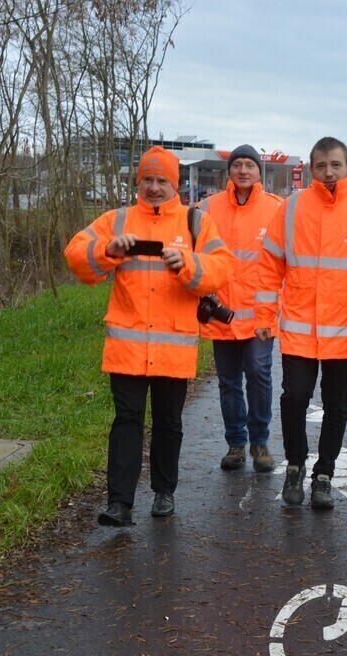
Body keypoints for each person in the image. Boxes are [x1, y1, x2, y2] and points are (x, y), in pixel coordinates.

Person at [64, 145, 233, 527]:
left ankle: (163, 493)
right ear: (137, 182)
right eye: (147, 180)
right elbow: (75, 255)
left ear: (175, 185)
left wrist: (188, 262)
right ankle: (119, 503)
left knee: (168, 421)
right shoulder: (118, 220)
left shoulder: (195, 222)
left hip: (173, 345)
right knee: (127, 420)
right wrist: (107, 249)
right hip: (127, 344)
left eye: (162, 181)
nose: (154, 188)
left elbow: (223, 267)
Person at [254, 136, 347, 509]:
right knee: (294, 398)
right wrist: (264, 316)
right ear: (311, 169)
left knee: (337, 404)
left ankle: (323, 474)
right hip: (298, 328)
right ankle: (295, 465)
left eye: (336, 165)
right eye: (321, 165)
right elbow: (269, 265)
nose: (328, 172)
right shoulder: (292, 207)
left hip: (345, 330)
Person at [197, 145, 282, 473]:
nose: (243, 170)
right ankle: (236, 443)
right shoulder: (207, 208)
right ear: (229, 171)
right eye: (238, 165)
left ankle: (260, 442)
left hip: (259, 315)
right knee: (228, 381)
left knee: (259, 375)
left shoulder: (277, 209)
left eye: (250, 165)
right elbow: (196, 255)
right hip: (222, 311)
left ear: (259, 171)